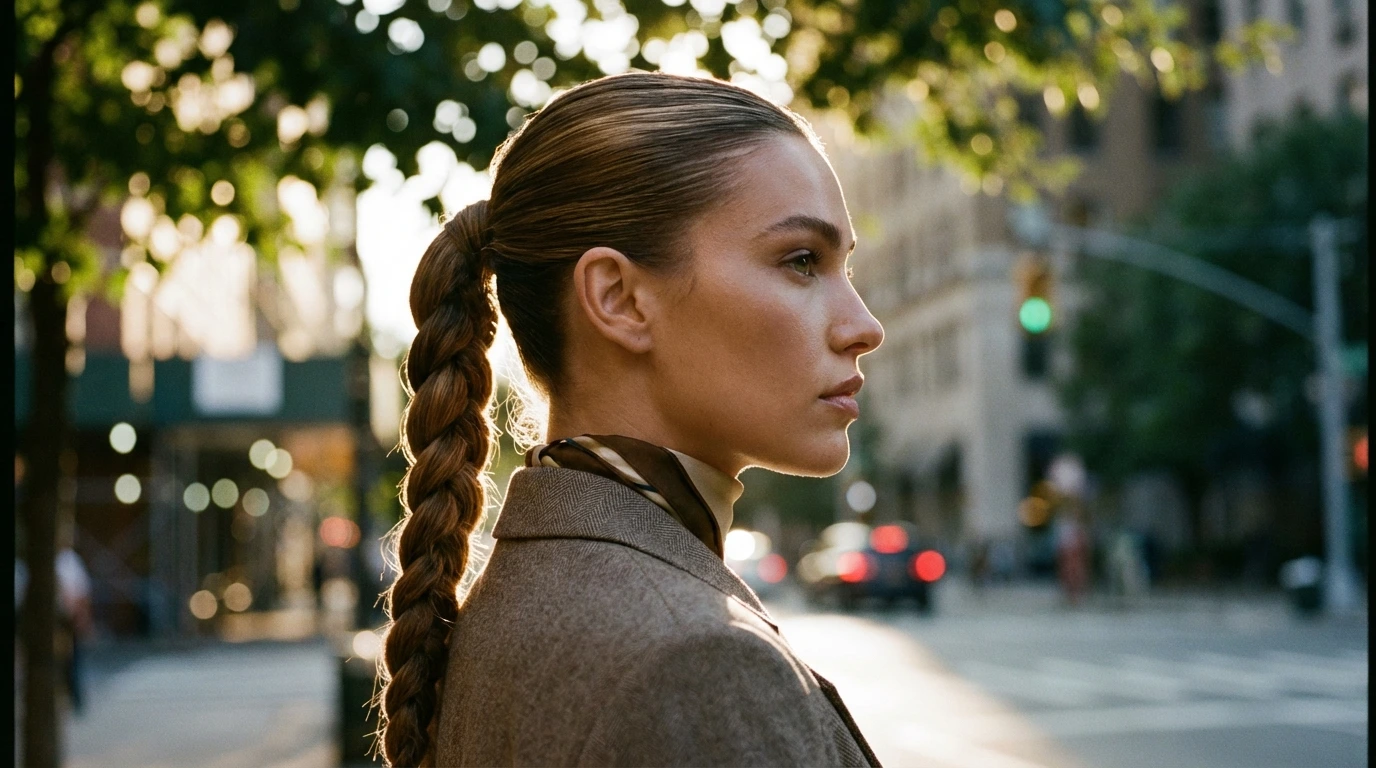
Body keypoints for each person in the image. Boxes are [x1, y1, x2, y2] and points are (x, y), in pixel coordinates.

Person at [376, 72, 885, 768]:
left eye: (842, 267)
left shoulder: (523, 597)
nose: (864, 326)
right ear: (618, 298)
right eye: (801, 261)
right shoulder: (698, 666)